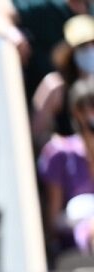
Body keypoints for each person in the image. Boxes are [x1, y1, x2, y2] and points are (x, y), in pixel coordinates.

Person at [0, 0, 92, 99]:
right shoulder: (47, 7)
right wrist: (14, 36)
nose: (89, 50)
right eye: (83, 46)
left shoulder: (90, 11)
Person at [39, 76, 94, 257]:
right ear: (77, 111)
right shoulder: (60, 152)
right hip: (72, 247)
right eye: (90, 107)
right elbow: (53, 221)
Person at [32, 14, 94, 141]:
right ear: (71, 52)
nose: (90, 50)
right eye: (83, 46)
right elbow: (39, 134)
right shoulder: (55, 86)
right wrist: (69, 147)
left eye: (93, 43)